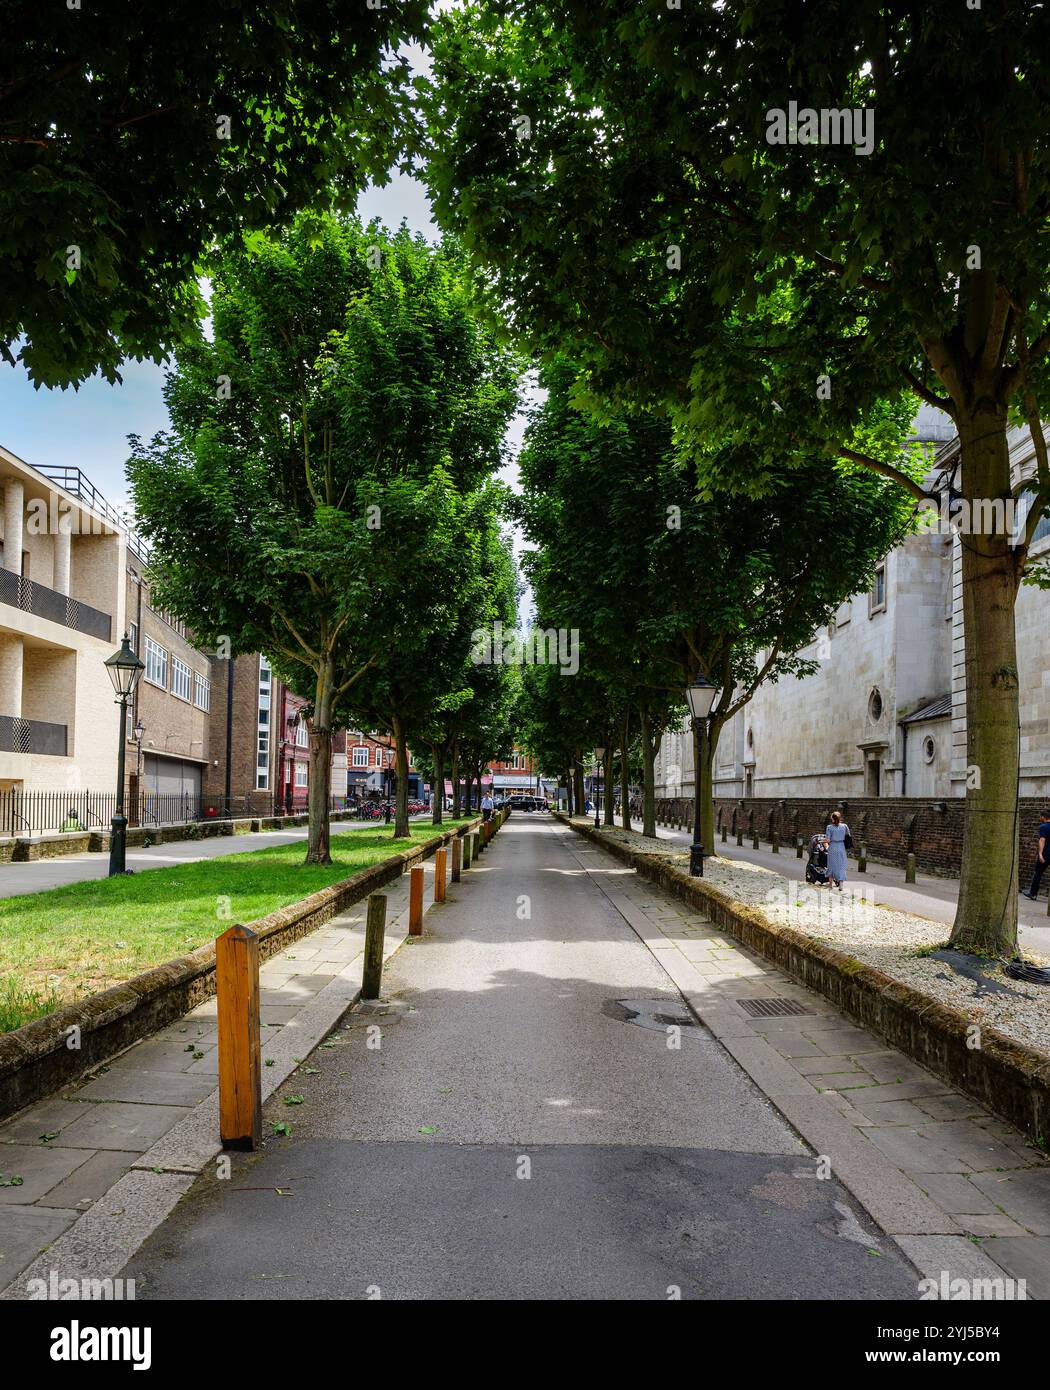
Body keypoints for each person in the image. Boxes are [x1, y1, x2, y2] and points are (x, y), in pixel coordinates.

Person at [1022, 810, 1050, 899]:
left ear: (1043, 817)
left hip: (1046, 853)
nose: (1039, 818)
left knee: (1038, 873)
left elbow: (1042, 840)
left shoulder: (1043, 826)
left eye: (1040, 816)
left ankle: (1033, 894)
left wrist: (1040, 854)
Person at [824, 809, 851, 890]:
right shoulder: (845, 826)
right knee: (841, 866)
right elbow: (848, 836)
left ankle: (830, 884)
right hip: (841, 847)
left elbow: (828, 840)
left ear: (832, 819)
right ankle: (841, 885)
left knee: (831, 865)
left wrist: (823, 841)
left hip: (833, 847)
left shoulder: (829, 827)